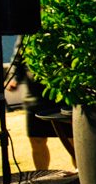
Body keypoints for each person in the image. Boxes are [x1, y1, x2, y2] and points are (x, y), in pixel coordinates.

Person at [5, 17, 75, 171]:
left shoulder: (63, 27)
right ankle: (42, 176)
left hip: (62, 94)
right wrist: (14, 78)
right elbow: (18, 58)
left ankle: (80, 179)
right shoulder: (27, 33)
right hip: (34, 97)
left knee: (73, 141)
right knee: (36, 139)